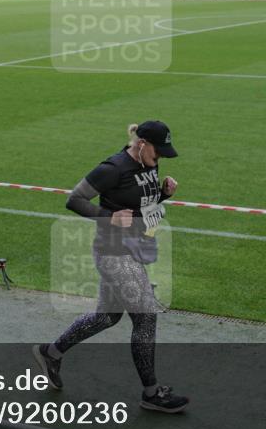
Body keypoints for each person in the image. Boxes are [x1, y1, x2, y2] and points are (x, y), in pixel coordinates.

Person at [33, 121, 189, 413]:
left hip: (134, 248)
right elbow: (75, 200)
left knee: (107, 317)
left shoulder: (147, 163)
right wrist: (108, 217)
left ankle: (50, 352)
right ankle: (151, 393)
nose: (161, 158)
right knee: (145, 317)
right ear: (142, 144)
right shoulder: (112, 168)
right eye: (159, 152)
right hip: (114, 253)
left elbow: (142, 202)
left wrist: (164, 194)